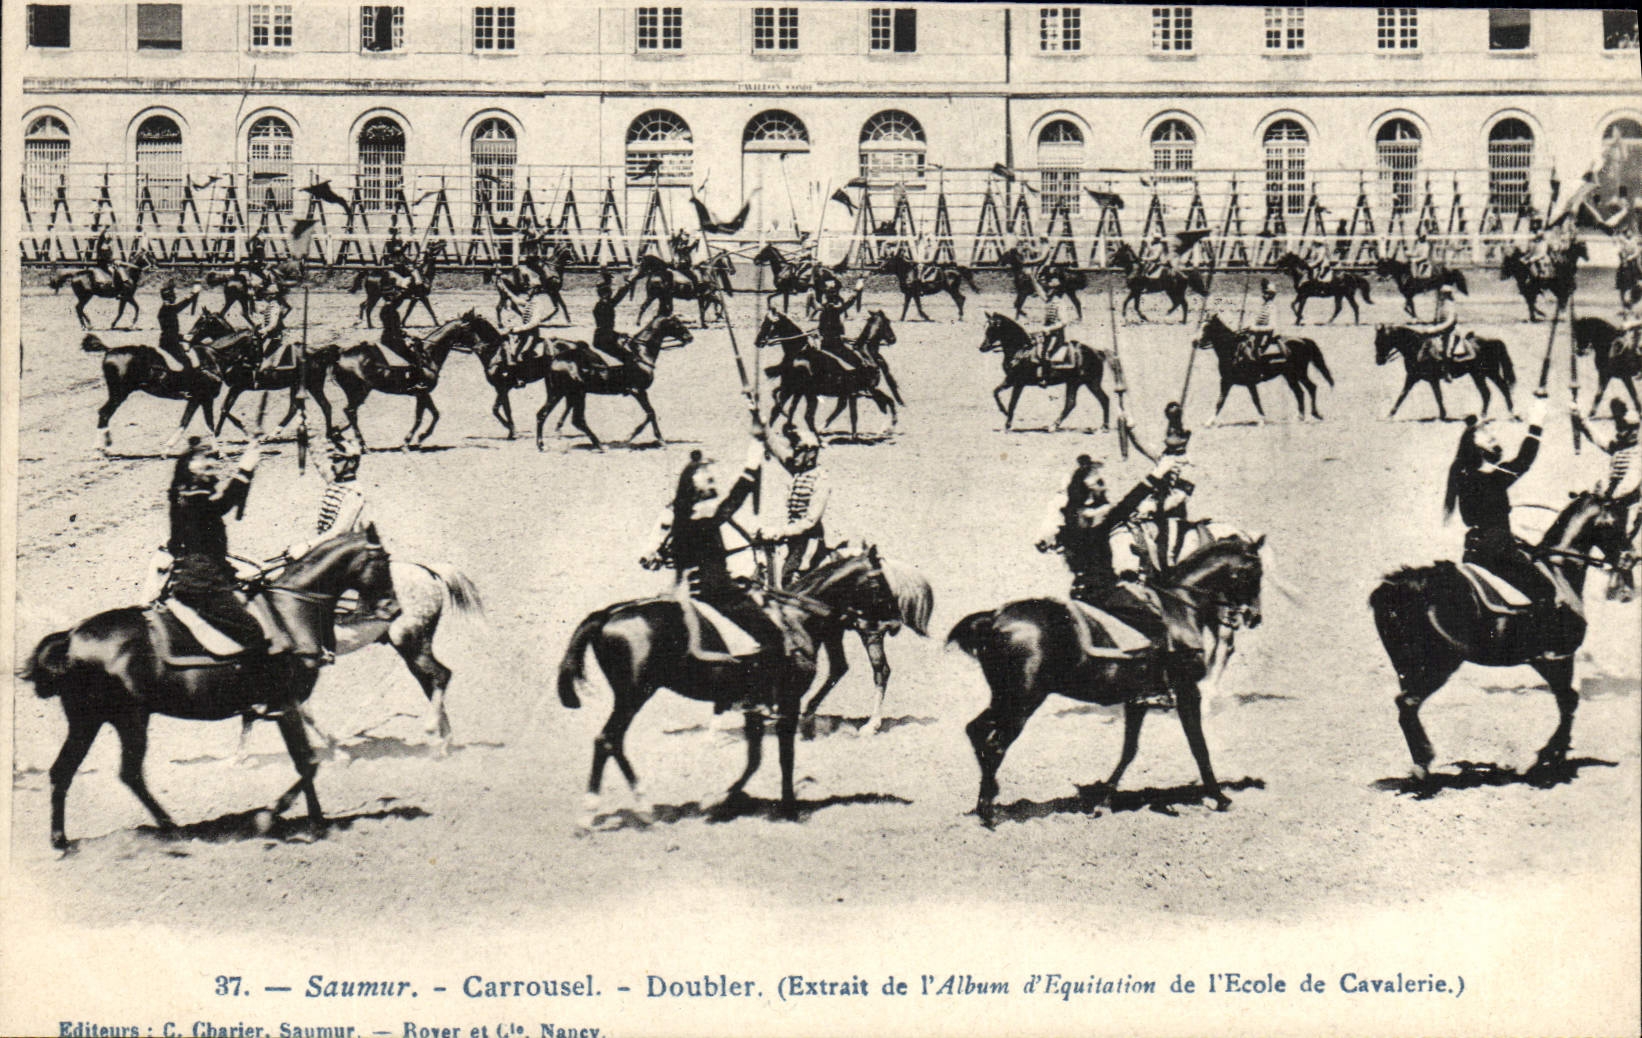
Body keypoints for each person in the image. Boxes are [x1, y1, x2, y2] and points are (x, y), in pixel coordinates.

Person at [666, 418, 794, 670]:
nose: (713, 482)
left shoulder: (682, 514)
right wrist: (755, 453)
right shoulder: (701, 514)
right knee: (773, 637)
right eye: (707, 479)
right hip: (717, 591)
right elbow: (735, 498)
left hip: (694, 589)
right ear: (693, 485)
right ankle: (753, 699)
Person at [1039, 452, 1189, 656]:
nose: (1105, 487)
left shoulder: (1071, 516)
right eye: (1100, 483)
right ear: (1090, 491)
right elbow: (1126, 505)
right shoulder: (1096, 517)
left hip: (1078, 591)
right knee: (1158, 626)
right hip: (1104, 592)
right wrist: (1157, 473)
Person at [1443, 394, 1553, 614]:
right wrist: (1537, 422)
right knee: (1545, 591)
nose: (1494, 439)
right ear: (1477, 448)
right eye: (1489, 437)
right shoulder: (1489, 479)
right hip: (1498, 549)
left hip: (1475, 548)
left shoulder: (1465, 475)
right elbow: (1524, 460)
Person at [162, 436, 270, 657]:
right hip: (204, 580)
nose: (213, 468)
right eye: (207, 463)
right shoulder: (194, 497)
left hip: (193, 571)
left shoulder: (181, 493)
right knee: (253, 633)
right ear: (193, 470)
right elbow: (222, 505)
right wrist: (245, 469)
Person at [756, 424, 830, 588]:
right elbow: (775, 447)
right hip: (794, 539)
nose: (793, 454)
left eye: (798, 451)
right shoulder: (798, 470)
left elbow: (810, 521)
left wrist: (781, 531)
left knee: (791, 583)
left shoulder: (821, 480)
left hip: (810, 542)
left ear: (811, 453)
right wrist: (759, 416)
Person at [1573, 399, 1641, 504]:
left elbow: (1630, 481)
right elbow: (1596, 437)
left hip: (1630, 502)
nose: (1619, 431)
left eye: (1623, 427)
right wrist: (1581, 418)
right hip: (1612, 496)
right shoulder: (1617, 448)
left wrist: (1609, 496)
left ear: (1633, 431)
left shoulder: (1638, 453)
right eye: (1619, 427)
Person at [378, 289, 437, 390]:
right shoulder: (390, 309)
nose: (398, 298)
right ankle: (415, 383)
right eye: (395, 296)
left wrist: (406, 334)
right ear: (390, 297)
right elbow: (393, 329)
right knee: (413, 358)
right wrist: (405, 337)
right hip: (393, 340)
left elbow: (393, 328)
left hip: (389, 337)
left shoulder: (387, 308)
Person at [815, 278, 869, 373]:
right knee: (859, 363)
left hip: (826, 344)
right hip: (835, 346)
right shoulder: (833, 308)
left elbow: (821, 328)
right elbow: (848, 303)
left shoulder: (824, 309)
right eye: (834, 292)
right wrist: (857, 290)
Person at [155, 281, 209, 374]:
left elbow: (170, 330)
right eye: (174, 295)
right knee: (187, 363)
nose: (175, 297)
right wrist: (193, 293)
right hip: (170, 343)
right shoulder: (167, 309)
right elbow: (182, 305)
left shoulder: (166, 308)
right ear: (170, 297)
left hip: (169, 340)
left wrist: (182, 337)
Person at [1407, 284, 1460, 372]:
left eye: (1442, 294)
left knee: (1447, 351)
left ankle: (1447, 371)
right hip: (1440, 330)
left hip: (1450, 331)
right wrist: (1421, 322)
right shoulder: (1440, 305)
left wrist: (1435, 329)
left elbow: (1449, 322)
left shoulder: (1450, 306)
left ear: (1446, 294)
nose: (1439, 295)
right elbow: (1435, 320)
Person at [589, 276, 638, 367]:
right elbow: (606, 328)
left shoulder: (602, 304)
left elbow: (618, 297)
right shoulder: (604, 306)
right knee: (628, 357)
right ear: (606, 294)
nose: (611, 294)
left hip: (603, 337)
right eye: (610, 292)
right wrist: (619, 334)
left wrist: (627, 284)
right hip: (605, 339)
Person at [1033, 271, 1075, 373]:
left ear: (1055, 291)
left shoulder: (1060, 303)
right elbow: (1039, 291)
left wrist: (1049, 328)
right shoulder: (1049, 300)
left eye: (1049, 289)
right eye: (1046, 288)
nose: (1046, 290)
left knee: (1046, 353)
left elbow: (1064, 322)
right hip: (1046, 333)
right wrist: (1032, 278)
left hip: (1056, 335)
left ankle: (1045, 377)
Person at [1240, 279, 1280, 366]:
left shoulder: (1272, 307)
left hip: (1266, 336)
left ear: (1271, 295)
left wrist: (1255, 329)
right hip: (1257, 335)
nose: (1263, 295)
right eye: (1263, 292)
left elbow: (1271, 327)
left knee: (1254, 355)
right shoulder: (1263, 306)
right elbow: (1256, 320)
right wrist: (1247, 327)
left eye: (1266, 293)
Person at [92, 228, 125, 295]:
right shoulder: (102, 245)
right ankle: (113, 286)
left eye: (109, 234)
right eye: (107, 233)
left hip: (107, 262)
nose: (109, 235)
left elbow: (111, 254)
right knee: (113, 272)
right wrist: (110, 261)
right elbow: (103, 255)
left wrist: (113, 260)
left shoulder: (107, 244)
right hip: (103, 263)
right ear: (104, 235)